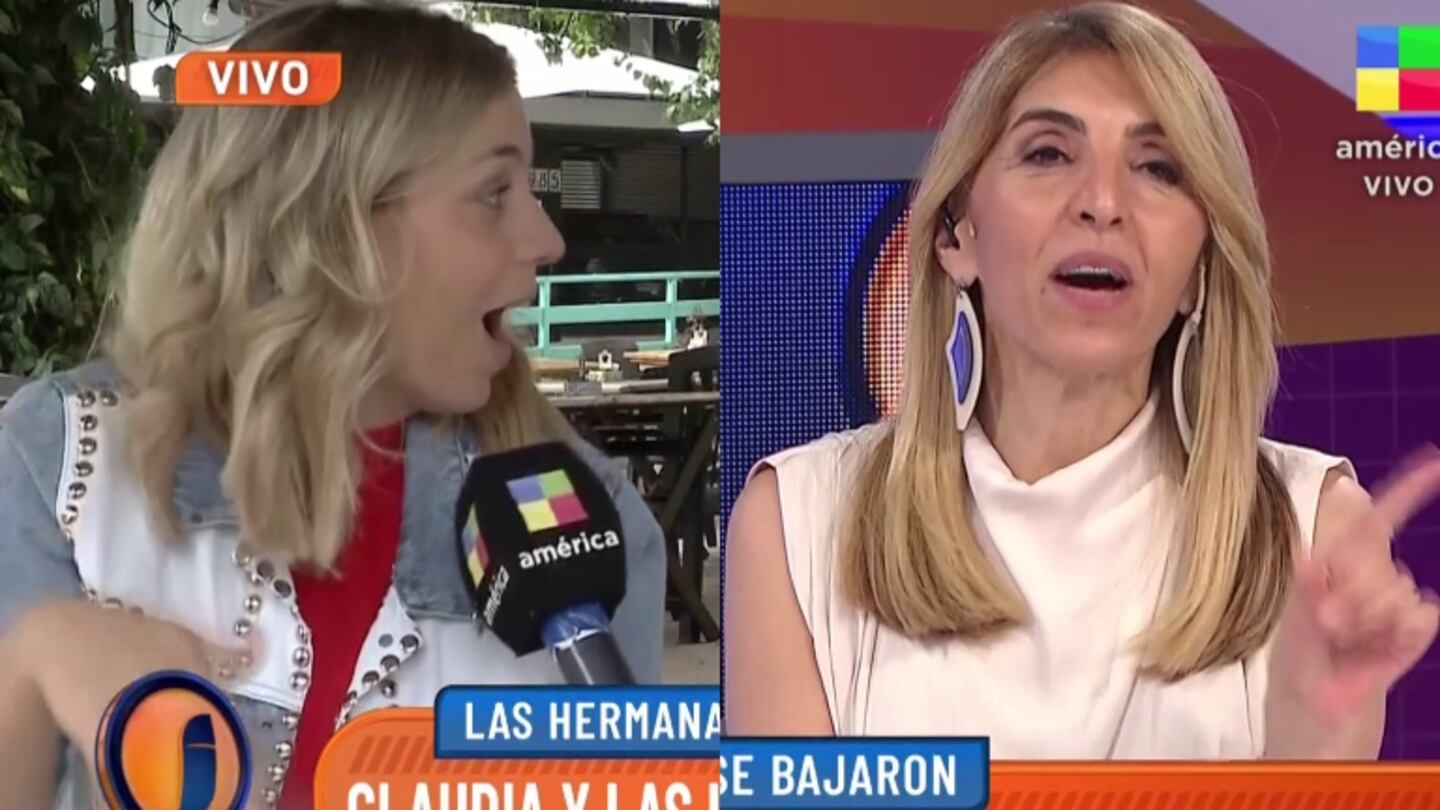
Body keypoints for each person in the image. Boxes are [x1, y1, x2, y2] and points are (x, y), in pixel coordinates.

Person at [724, 1, 1440, 759]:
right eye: (1047, 154)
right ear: (956, 235)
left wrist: (1310, 744)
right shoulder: (797, 527)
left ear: (1199, 268)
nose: (1102, 204)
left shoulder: (1310, 534)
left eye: (1159, 168)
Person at [0, 3, 666, 807]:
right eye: (494, 192)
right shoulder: (58, 465)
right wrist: (33, 665)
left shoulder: (597, 526)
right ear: (328, 224)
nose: (546, 240)